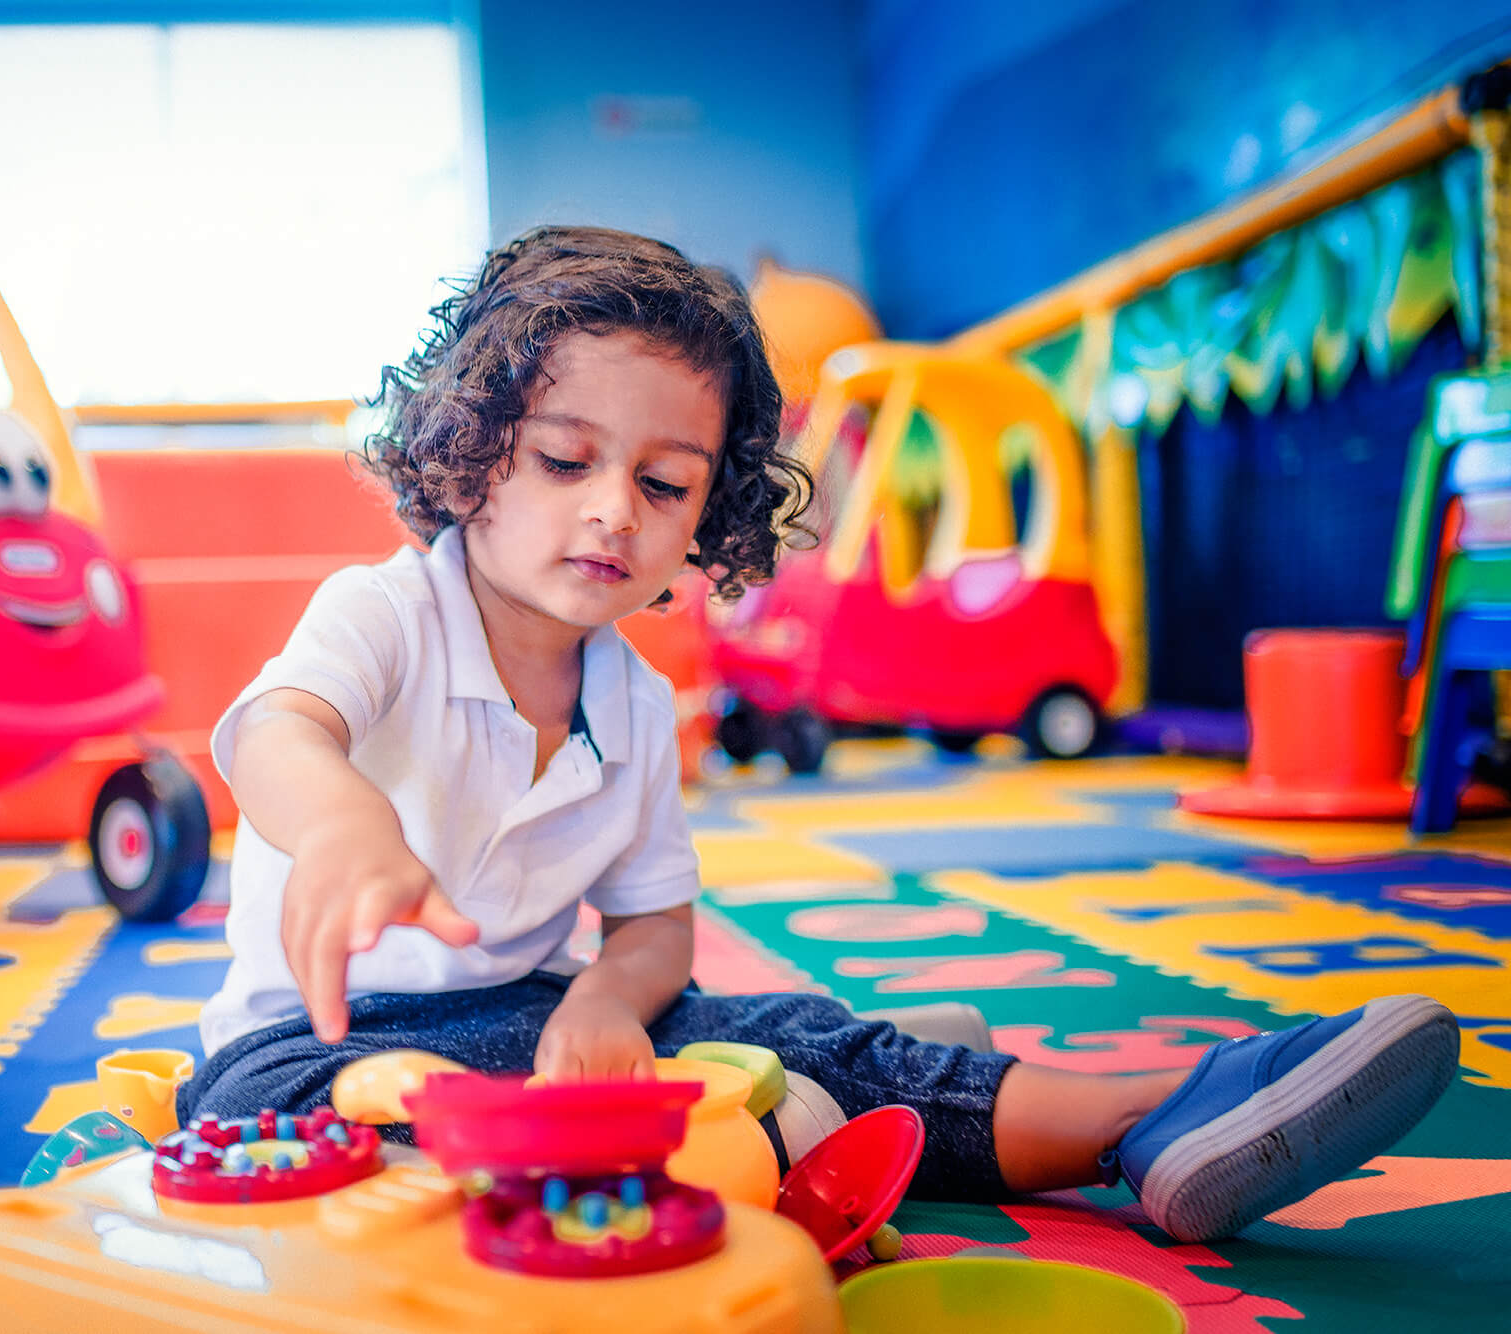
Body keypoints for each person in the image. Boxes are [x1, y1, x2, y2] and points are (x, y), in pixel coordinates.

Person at [175, 225, 1460, 1244]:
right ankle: (829, 1102)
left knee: (745, 1026)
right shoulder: (386, 610)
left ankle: (1149, 1121)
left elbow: (651, 929)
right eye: (565, 461)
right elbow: (282, 731)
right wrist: (342, 824)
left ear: (709, 509)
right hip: (316, 1049)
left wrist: (612, 1005)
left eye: (664, 483)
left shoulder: (625, 695)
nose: (614, 509)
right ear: (470, 457)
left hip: (528, 1018)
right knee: (284, 1117)